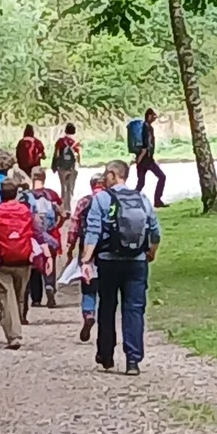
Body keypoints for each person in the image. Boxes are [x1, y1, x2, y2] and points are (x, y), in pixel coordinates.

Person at [79, 160, 161, 376]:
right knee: (134, 309)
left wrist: (86, 260)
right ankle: (133, 360)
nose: (104, 178)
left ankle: (106, 355)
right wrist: (151, 253)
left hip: (108, 261)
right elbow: (155, 231)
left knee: (107, 306)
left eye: (106, 174)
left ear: (114, 174)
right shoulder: (142, 199)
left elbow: (93, 231)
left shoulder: (102, 199)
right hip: (137, 261)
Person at [0, 179, 39, 350]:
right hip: (24, 259)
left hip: (3, 261)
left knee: (7, 298)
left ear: (0, 194)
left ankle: (13, 334)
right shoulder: (25, 210)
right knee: (19, 295)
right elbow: (36, 229)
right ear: (16, 193)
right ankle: (16, 321)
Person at [67, 174, 105, 342]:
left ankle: (88, 313)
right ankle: (105, 318)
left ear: (91, 185)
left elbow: (74, 225)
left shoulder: (84, 201)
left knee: (88, 282)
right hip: (107, 248)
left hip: (87, 246)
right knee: (105, 284)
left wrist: (70, 246)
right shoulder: (110, 200)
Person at [26, 167, 64, 308]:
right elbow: (63, 214)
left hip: (34, 235)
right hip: (51, 234)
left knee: (35, 264)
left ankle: (36, 298)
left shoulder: (26, 196)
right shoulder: (52, 195)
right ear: (44, 178)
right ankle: (49, 285)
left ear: (32, 178)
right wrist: (57, 226)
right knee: (50, 262)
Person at [132, 109, 167, 208]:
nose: (155, 118)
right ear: (149, 116)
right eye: (153, 116)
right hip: (146, 160)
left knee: (141, 183)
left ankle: (131, 201)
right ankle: (157, 201)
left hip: (146, 159)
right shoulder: (146, 129)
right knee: (161, 177)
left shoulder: (147, 127)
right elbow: (145, 146)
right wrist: (139, 160)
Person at [52, 123, 82, 212]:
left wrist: (54, 165)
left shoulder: (60, 141)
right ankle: (69, 208)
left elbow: (57, 155)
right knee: (70, 187)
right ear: (74, 131)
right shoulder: (76, 142)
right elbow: (78, 155)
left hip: (62, 167)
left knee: (63, 186)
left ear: (65, 131)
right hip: (73, 167)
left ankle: (63, 207)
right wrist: (78, 165)